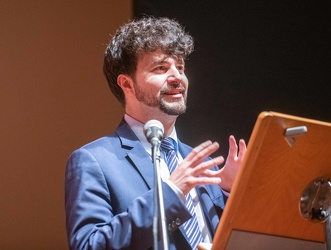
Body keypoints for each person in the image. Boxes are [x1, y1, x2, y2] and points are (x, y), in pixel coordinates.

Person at [65, 16, 246, 250]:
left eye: (180, 67)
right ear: (127, 84)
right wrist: (170, 193)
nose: (177, 77)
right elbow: (89, 246)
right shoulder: (94, 161)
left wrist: (230, 193)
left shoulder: (204, 166)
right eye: (161, 68)